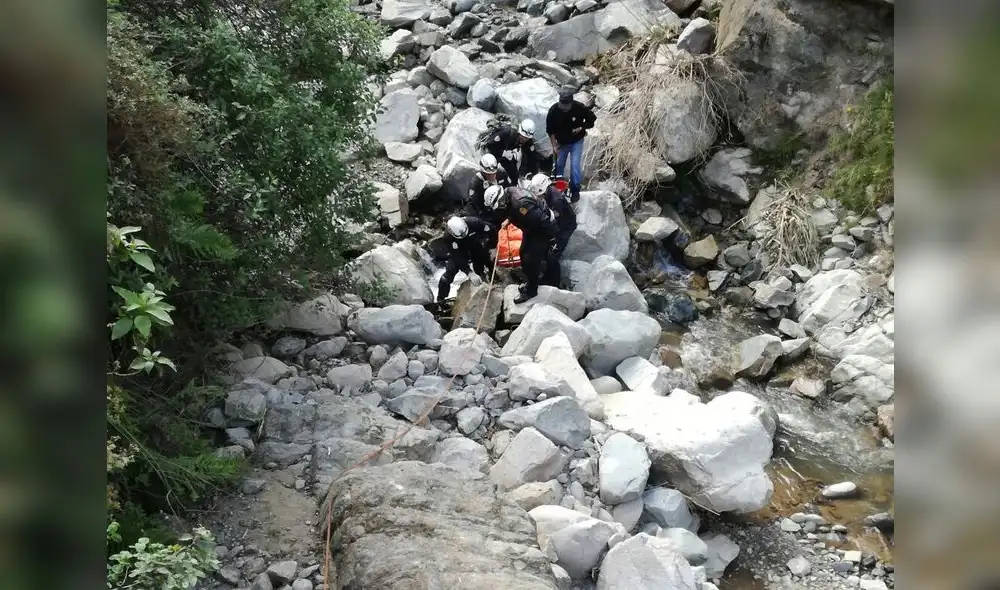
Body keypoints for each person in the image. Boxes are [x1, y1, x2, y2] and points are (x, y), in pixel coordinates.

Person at [486, 184, 557, 304]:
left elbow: (542, 219)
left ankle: (531, 291)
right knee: (522, 252)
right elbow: (513, 211)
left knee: (530, 260)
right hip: (531, 227)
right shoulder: (509, 192)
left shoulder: (521, 205)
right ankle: (531, 281)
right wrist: (509, 220)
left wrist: (552, 238)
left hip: (541, 229)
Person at [546, 85, 596, 203]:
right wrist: (554, 146)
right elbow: (550, 130)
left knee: (574, 166)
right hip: (562, 143)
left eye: (566, 107)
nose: (564, 109)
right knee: (559, 165)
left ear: (571, 102)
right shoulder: (553, 111)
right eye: (562, 106)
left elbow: (592, 119)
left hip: (576, 141)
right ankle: (558, 188)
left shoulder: (579, 108)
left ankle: (575, 190)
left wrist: (581, 127)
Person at [527, 173, 577, 288]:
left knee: (552, 254)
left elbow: (555, 223)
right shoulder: (548, 194)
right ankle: (547, 275)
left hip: (565, 226)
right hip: (558, 221)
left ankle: (554, 281)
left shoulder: (556, 200)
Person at [436, 216, 492, 305]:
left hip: (474, 243)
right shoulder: (448, 237)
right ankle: (440, 299)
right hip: (459, 250)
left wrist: (492, 245)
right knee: (449, 273)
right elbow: (457, 257)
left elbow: (491, 230)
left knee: (484, 259)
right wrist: (469, 272)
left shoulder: (474, 222)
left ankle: (488, 277)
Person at [463, 154, 511, 242]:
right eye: (488, 174)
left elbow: (509, 189)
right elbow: (472, 204)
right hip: (487, 212)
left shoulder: (501, 173)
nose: (492, 176)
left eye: (494, 173)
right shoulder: (476, 183)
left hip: (503, 206)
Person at [484, 118, 542, 186]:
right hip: (494, 151)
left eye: (526, 138)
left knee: (514, 175)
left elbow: (532, 158)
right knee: (491, 171)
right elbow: (489, 145)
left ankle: (513, 188)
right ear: (519, 132)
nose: (524, 139)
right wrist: (503, 153)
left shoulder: (528, 141)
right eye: (522, 136)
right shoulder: (506, 132)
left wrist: (535, 175)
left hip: (507, 154)